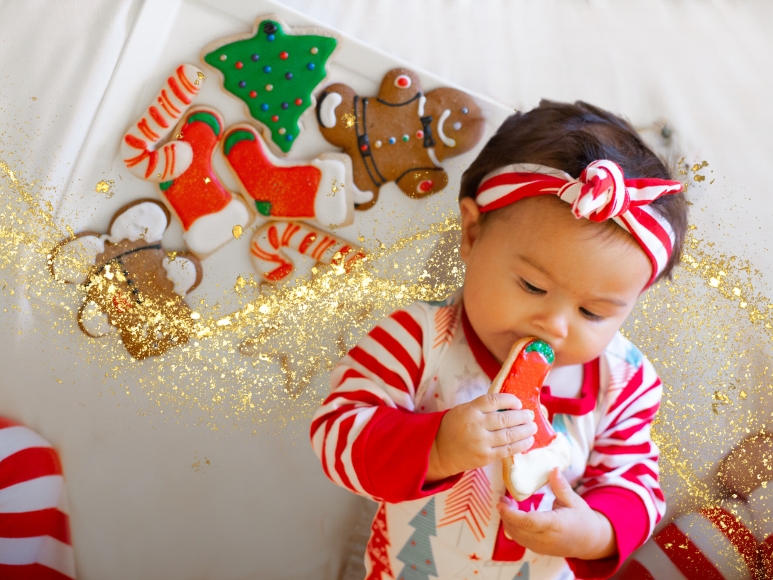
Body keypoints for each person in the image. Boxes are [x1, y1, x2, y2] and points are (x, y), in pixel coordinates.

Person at [310, 100, 687, 579]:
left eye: (592, 311)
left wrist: (594, 532)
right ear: (471, 233)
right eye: (532, 286)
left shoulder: (625, 380)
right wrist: (440, 446)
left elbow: (639, 486)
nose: (554, 325)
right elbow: (335, 436)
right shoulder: (419, 341)